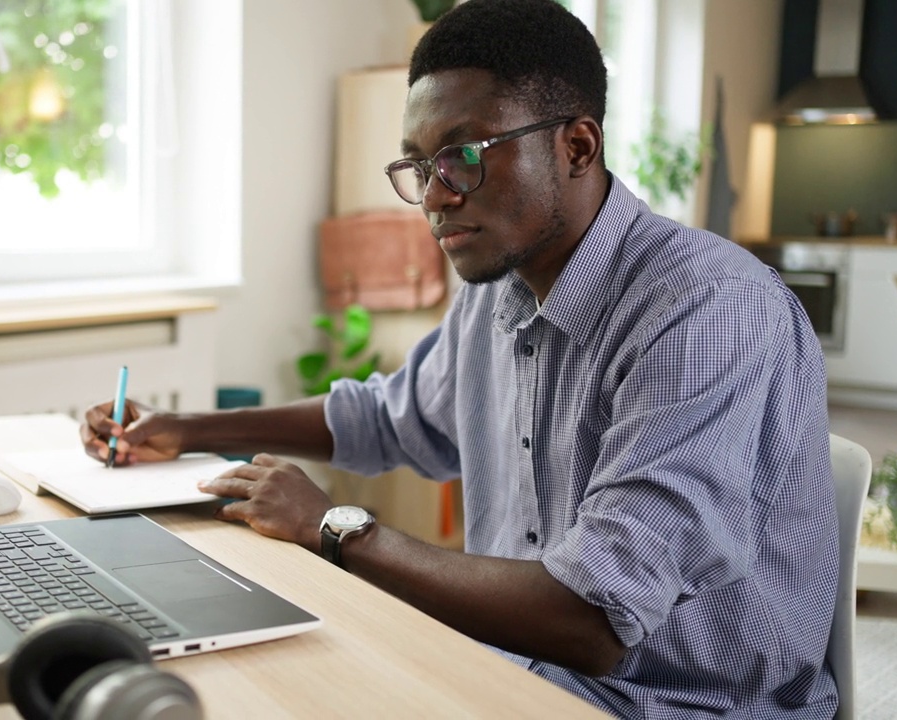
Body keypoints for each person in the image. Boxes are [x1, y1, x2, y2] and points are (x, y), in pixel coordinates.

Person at [80, 0, 839, 716]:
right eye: (420, 165)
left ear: (577, 146)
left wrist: (336, 528)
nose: (436, 196)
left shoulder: (706, 310)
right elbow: (392, 419)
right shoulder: (498, 284)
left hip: (674, 703)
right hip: (509, 670)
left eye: (464, 155)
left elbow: (595, 621)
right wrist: (189, 428)